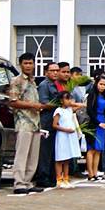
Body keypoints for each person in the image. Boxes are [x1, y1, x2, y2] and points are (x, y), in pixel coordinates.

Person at [8, 52, 48, 194]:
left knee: (33, 155)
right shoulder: (16, 81)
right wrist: (32, 105)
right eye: (25, 63)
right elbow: (13, 102)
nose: (28, 66)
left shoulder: (33, 81)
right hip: (23, 122)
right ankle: (19, 183)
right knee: (22, 153)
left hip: (35, 123)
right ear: (20, 65)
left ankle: (28, 182)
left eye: (30, 63)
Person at [33, 61, 61, 189]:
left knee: (52, 150)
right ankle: (42, 177)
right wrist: (62, 105)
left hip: (55, 120)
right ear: (46, 72)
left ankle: (51, 176)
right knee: (45, 150)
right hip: (46, 120)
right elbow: (44, 103)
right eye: (52, 70)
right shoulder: (44, 85)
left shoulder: (57, 85)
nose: (55, 72)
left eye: (57, 70)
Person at [85, 76, 105, 181]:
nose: (102, 86)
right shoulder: (92, 95)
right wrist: (98, 122)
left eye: (104, 84)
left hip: (103, 121)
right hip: (94, 122)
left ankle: (96, 172)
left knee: (99, 149)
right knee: (91, 148)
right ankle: (90, 174)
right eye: (100, 84)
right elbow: (89, 110)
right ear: (96, 84)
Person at [52, 91, 81, 188]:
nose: (69, 101)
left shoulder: (69, 110)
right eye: (66, 99)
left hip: (70, 136)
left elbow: (81, 106)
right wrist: (65, 130)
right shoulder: (58, 111)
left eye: (70, 99)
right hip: (62, 136)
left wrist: (72, 103)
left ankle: (66, 178)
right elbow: (54, 125)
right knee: (60, 158)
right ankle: (59, 179)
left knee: (67, 159)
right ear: (61, 100)